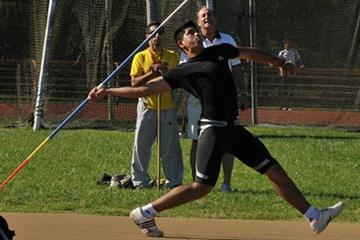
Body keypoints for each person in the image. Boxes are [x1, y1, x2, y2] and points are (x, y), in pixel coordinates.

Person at [89, 20, 344, 237]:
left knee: (273, 169)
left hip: (233, 129)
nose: (195, 34)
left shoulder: (220, 51)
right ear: (182, 44)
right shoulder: (182, 71)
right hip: (212, 131)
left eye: (195, 31)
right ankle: (144, 213)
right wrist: (107, 90)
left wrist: (280, 63)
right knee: (201, 188)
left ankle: (314, 217)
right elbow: (143, 89)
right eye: (190, 33)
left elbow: (251, 52)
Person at [180, 6, 250, 192]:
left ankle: (226, 183)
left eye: (209, 14)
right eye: (203, 15)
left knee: (227, 139)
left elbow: (236, 69)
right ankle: (197, 182)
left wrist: (243, 93)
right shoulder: (190, 42)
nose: (207, 17)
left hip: (225, 99)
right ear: (198, 20)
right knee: (197, 139)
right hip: (198, 100)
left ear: (215, 18)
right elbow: (184, 72)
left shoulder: (227, 40)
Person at [128, 21, 183, 189]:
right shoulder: (141, 57)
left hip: (167, 106)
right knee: (141, 145)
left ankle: (174, 182)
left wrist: (167, 73)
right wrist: (151, 72)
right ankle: (140, 181)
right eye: (153, 33)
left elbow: (179, 78)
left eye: (160, 33)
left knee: (169, 147)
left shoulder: (173, 56)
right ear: (147, 37)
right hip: (147, 107)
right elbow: (134, 83)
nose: (156, 36)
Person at [277, 38, 303, 110]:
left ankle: (289, 104)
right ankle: (283, 104)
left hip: (292, 73)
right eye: (287, 43)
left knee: (291, 88)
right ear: (284, 44)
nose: (289, 45)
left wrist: (301, 66)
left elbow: (299, 61)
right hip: (284, 73)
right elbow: (278, 62)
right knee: (282, 89)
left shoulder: (294, 52)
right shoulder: (281, 52)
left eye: (290, 43)